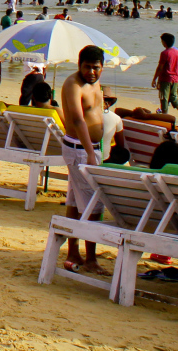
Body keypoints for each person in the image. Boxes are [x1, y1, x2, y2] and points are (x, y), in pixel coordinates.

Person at [59, 46, 106, 274]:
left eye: (96, 68)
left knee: (76, 202)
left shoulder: (95, 83)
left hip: (90, 148)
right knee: (93, 205)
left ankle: (74, 252)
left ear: (102, 67)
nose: (91, 72)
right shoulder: (73, 84)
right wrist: (89, 153)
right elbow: (78, 120)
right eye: (87, 67)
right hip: (80, 149)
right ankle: (90, 258)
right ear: (79, 65)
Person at [151, 33, 178, 125]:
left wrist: (155, 79)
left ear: (164, 42)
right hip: (175, 78)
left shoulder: (165, 53)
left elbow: (160, 67)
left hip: (166, 78)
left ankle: (164, 116)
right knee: (173, 97)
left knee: (164, 98)